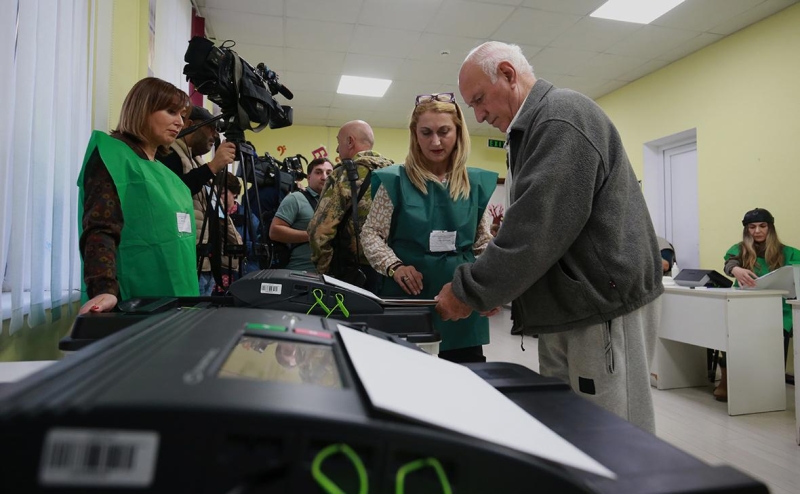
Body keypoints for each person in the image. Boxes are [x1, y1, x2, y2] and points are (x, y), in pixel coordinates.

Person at [435, 41, 663, 433]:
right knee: (570, 431)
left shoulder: (561, 117)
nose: (479, 115)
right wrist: (501, 288)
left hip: (602, 306)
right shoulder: (531, 129)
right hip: (568, 309)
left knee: (614, 435)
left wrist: (470, 290)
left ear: (508, 74)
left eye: (479, 100)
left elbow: (535, 230)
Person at [361, 93, 498, 363]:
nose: (435, 141)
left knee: (463, 377)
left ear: (458, 132)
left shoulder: (474, 184)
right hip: (408, 301)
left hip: (461, 301)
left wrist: (490, 287)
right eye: (426, 133)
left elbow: (483, 242)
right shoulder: (395, 181)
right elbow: (371, 233)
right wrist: (394, 266)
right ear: (415, 135)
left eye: (444, 131)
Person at [78, 77, 199, 314]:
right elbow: (100, 228)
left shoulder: (168, 177)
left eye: (182, 115)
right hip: (134, 302)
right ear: (143, 109)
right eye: (171, 111)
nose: (180, 122)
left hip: (179, 298)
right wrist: (104, 288)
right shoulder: (113, 156)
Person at [720, 207, 800, 400]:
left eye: (762, 226)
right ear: (746, 229)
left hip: (779, 310)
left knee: (772, 347)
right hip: (744, 307)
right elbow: (729, 264)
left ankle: (769, 390)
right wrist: (736, 269)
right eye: (752, 227)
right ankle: (731, 382)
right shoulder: (740, 249)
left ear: (770, 227)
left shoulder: (788, 252)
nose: (757, 231)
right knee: (732, 337)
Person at [161, 106, 240, 294]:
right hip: (186, 262)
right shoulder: (170, 154)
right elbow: (174, 194)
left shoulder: (195, 160)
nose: (214, 135)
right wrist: (212, 167)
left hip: (205, 262)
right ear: (189, 124)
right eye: (210, 128)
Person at [308, 120, 393, 291]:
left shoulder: (343, 174)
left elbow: (319, 232)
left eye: (339, 142)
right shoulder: (395, 173)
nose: (337, 149)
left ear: (350, 141)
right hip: (392, 271)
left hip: (353, 274)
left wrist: (326, 273)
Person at [269, 158, 333, 271]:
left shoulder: (337, 202)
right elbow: (274, 232)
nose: (324, 177)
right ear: (308, 177)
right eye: (318, 172)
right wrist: (313, 236)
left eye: (329, 173)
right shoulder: (295, 199)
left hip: (331, 274)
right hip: (300, 272)